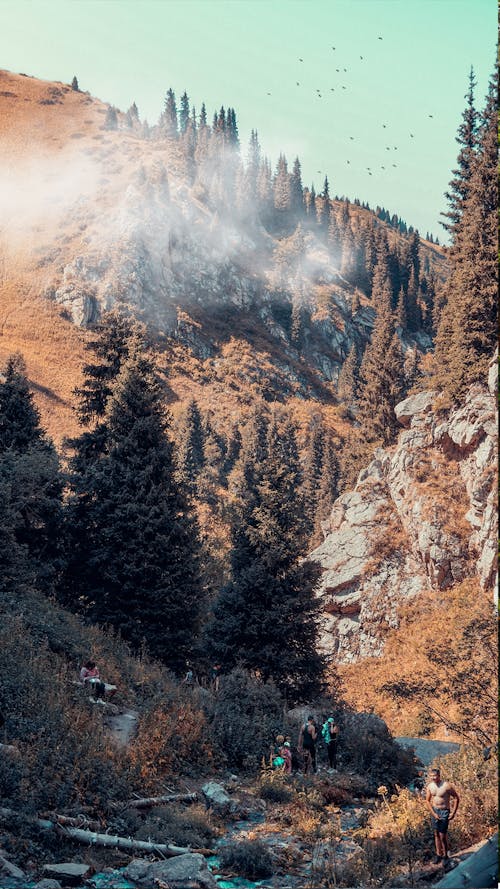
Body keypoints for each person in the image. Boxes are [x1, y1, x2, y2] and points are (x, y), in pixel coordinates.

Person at [425, 767, 459, 865]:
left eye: (435, 776)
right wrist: (433, 813)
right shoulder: (430, 786)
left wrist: (453, 812)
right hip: (435, 811)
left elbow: (456, 798)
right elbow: (427, 800)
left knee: (442, 835)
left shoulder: (446, 786)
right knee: (436, 834)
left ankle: (445, 855)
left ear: (439, 776)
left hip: (444, 811)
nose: (433, 778)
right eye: (431, 776)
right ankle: (438, 854)